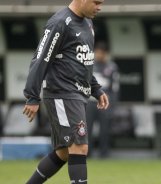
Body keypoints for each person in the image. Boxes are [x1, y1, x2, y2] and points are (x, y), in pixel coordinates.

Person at [22, 0, 109, 183]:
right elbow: (40, 58)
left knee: (63, 152)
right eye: (96, 2)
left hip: (77, 95)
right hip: (62, 93)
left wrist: (96, 89)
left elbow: (83, 63)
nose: (99, 7)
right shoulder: (60, 22)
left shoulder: (88, 23)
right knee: (79, 147)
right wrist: (32, 96)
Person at [86, 42, 119, 158]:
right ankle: (87, 153)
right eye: (98, 52)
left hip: (105, 102)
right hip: (89, 102)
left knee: (105, 130)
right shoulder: (88, 64)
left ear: (106, 54)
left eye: (102, 53)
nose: (99, 55)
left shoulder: (111, 67)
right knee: (86, 129)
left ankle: (104, 154)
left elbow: (114, 88)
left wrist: (112, 106)